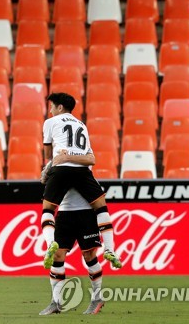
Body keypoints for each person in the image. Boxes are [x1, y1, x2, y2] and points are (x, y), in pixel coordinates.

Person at [40, 93, 121, 270]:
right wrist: (72, 156)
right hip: (82, 170)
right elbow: (91, 159)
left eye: (52, 106)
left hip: (61, 169)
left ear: (59, 107)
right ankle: (110, 248)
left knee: (47, 209)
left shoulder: (50, 122)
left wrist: (53, 164)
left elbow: (47, 156)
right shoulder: (82, 125)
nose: (51, 110)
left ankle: (49, 244)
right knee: (101, 206)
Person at [39, 188, 106, 316]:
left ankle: (97, 297)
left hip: (86, 212)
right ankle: (56, 301)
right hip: (64, 212)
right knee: (57, 255)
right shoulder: (57, 168)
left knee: (89, 255)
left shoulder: (84, 168)